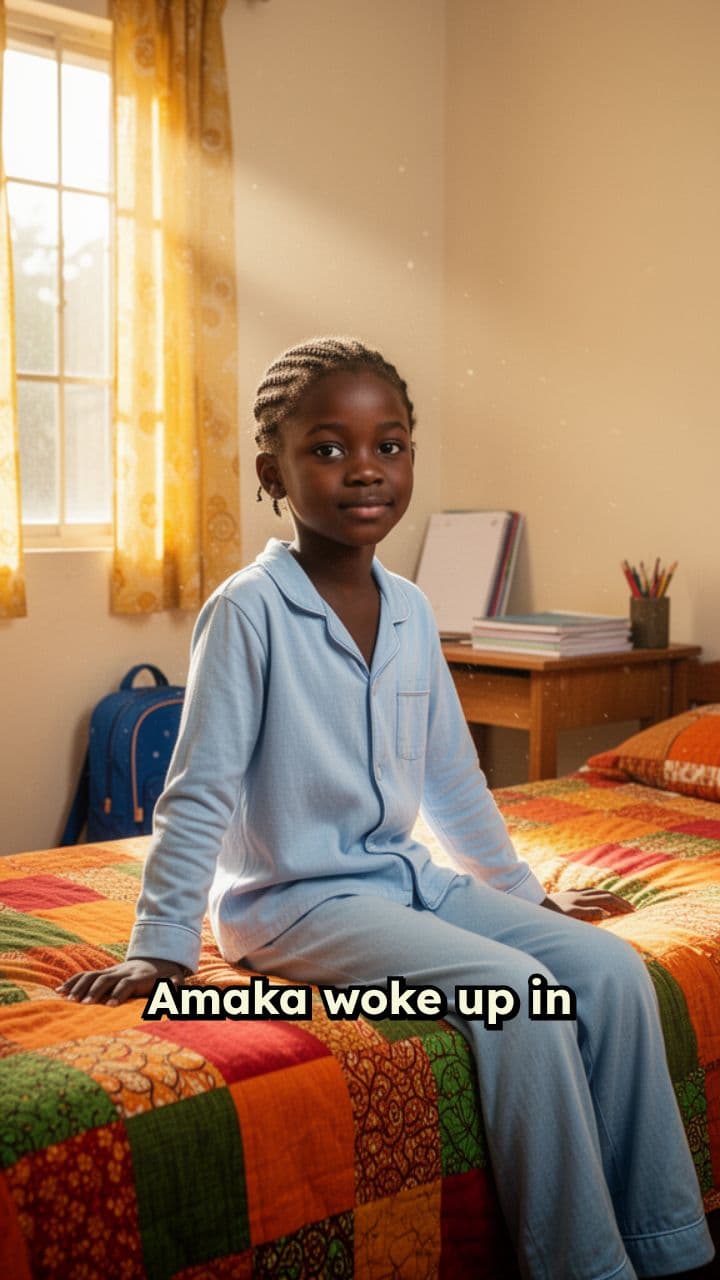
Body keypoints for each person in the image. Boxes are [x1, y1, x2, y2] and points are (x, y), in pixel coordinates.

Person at [59, 337, 714, 1280]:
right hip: (296, 904)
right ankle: (585, 1263)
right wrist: (159, 947)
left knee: (611, 972)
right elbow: (197, 792)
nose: (364, 468)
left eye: (390, 445)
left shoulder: (409, 608)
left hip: (408, 882)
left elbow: (452, 778)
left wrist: (523, 897)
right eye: (328, 449)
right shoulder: (248, 612)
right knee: (517, 999)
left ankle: (667, 1245)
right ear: (272, 474)